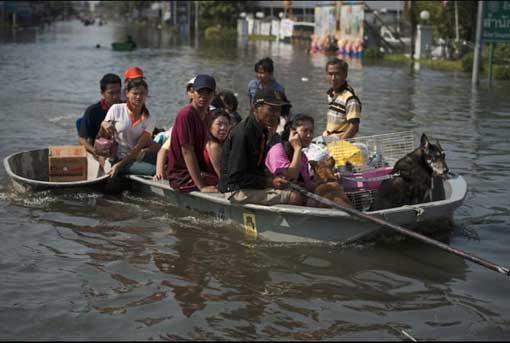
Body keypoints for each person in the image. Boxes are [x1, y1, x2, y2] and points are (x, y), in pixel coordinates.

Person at [219, 88, 303, 206]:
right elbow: (236, 177)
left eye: (278, 110)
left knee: (297, 190)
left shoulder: (262, 130)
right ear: (256, 108)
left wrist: (273, 177)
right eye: (271, 109)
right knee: (294, 197)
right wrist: (269, 182)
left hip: (249, 185)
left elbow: (256, 168)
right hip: (235, 190)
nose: (275, 114)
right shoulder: (243, 134)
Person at [167, 74, 218, 193]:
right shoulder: (186, 115)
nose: (204, 97)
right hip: (181, 177)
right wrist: (202, 186)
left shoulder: (208, 115)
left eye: (208, 93)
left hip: (199, 170)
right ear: (192, 92)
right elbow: (187, 151)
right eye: (200, 92)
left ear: (214, 95)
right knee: (222, 183)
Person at [99, 77, 156, 177]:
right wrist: (103, 124)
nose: (138, 97)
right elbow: (101, 138)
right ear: (127, 94)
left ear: (146, 94)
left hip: (133, 156)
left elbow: (137, 148)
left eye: (142, 93)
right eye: (135, 93)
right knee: (153, 170)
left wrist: (119, 166)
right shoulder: (116, 109)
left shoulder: (150, 118)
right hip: (116, 158)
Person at [265, 114, 315, 193]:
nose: (309, 135)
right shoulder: (278, 151)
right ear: (293, 132)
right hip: (283, 193)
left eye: (311, 131)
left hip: (299, 193)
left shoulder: (303, 156)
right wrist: (297, 149)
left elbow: (306, 183)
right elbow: (290, 180)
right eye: (305, 131)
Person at [78, 73, 122, 156]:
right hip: (102, 151)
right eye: (111, 93)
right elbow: (82, 139)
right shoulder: (92, 111)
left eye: (118, 92)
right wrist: (95, 152)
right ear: (102, 93)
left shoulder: (127, 108)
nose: (115, 96)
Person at [247, 57, 292, 131]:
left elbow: (281, 109)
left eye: (262, 73)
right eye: (257, 72)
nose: (259, 75)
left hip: (271, 120)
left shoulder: (278, 89)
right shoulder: (252, 85)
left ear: (270, 73)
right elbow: (251, 104)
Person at [322, 58, 361, 140]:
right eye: (330, 74)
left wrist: (339, 144)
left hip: (339, 141)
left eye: (337, 74)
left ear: (345, 75)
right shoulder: (331, 94)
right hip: (328, 137)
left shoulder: (350, 99)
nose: (333, 78)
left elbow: (354, 127)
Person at [203, 108, 232, 184]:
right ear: (210, 126)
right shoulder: (214, 146)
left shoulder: (221, 143)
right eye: (219, 124)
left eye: (226, 124)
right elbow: (221, 174)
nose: (223, 128)